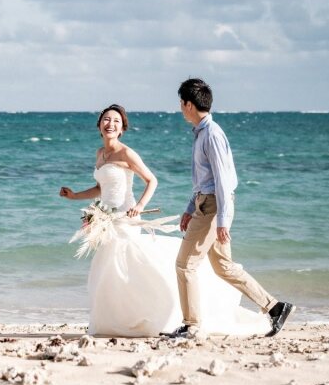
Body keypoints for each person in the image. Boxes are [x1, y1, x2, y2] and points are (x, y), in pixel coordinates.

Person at [60, 104, 270, 337]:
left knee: (128, 265)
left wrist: (139, 206)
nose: (111, 124)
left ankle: (164, 313)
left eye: (117, 121)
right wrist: (74, 196)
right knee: (109, 269)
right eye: (107, 120)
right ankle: (118, 319)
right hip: (107, 220)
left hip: (126, 217)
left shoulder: (126, 153)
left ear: (122, 129)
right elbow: (102, 188)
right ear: (100, 125)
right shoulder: (100, 154)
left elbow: (152, 180)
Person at [166, 79, 294, 339]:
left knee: (184, 265)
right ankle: (275, 307)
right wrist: (190, 208)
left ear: (189, 104)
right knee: (223, 266)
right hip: (207, 204)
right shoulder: (202, 133)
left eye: (181, 103)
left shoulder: (212, 134)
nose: (180, 108)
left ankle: (192, 326)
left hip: (214, 207)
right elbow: (206, 179)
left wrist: (223, 219)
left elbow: (223, 180)